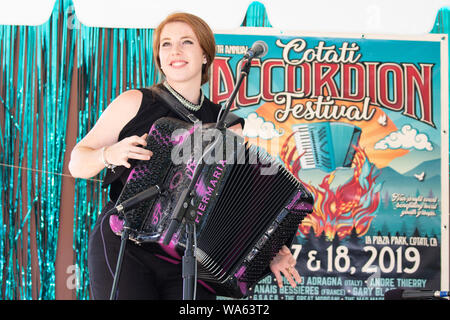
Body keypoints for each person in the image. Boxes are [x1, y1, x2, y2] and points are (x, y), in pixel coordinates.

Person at [68, 12, 301, 300]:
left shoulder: (229, 123)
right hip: (126, 243)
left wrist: (269, 250)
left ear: (205, 54)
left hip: (192, 258)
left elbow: (238, 204)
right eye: (165, 44)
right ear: (159, 57)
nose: (175, 51)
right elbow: (77, 162)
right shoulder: (135, 102)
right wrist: (108, 153)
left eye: (186, 42)